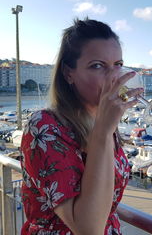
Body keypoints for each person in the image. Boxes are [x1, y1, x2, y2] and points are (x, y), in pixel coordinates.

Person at [20, 18, 143, 235]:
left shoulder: (104, 124)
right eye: (97, 66)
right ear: (69, 73)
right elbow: (89, 229)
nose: (114, 77)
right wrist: (103, 131)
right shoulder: (45, 128)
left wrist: (105, 128)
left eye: (118, 65)